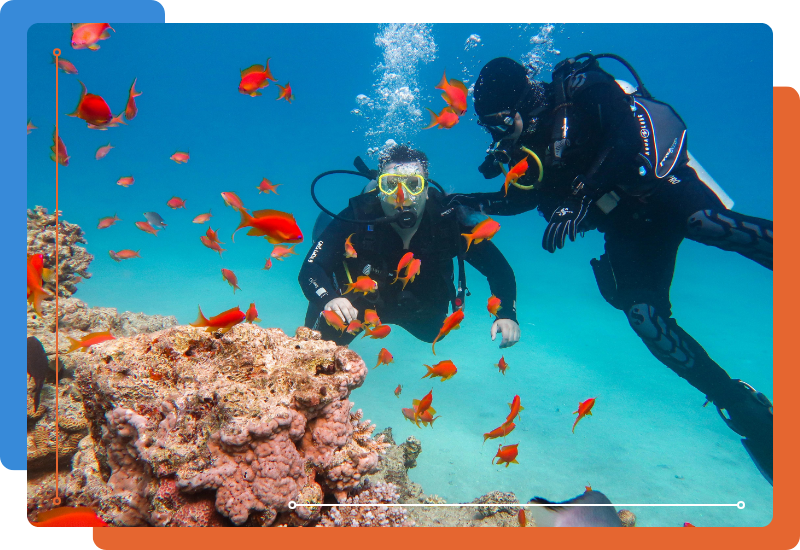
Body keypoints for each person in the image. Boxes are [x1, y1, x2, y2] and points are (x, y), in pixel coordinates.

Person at [446, 55, 774, 484]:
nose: (496, 135)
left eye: (500, 123)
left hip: (659, 190)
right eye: (488, 126)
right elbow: (525, 198)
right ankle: (743, 408)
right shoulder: (528, 147)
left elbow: (624, 136)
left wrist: (582, 196)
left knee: (706, 224)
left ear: (521, 103)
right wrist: (469, 201)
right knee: (644, 317)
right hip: (626, 226)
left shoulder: (580, 86)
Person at [299, 144, 521, 349]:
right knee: (318, 346)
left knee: (434, 333)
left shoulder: (447, 222)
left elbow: (498, 269)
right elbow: (311, 268)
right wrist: (328, 298)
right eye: (390, 185)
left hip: (422, 308)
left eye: (414, 185)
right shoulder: (359, 215)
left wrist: (507, 314)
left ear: (426, 190)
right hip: (359, 303)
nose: (402, 196)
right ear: (379, 190)